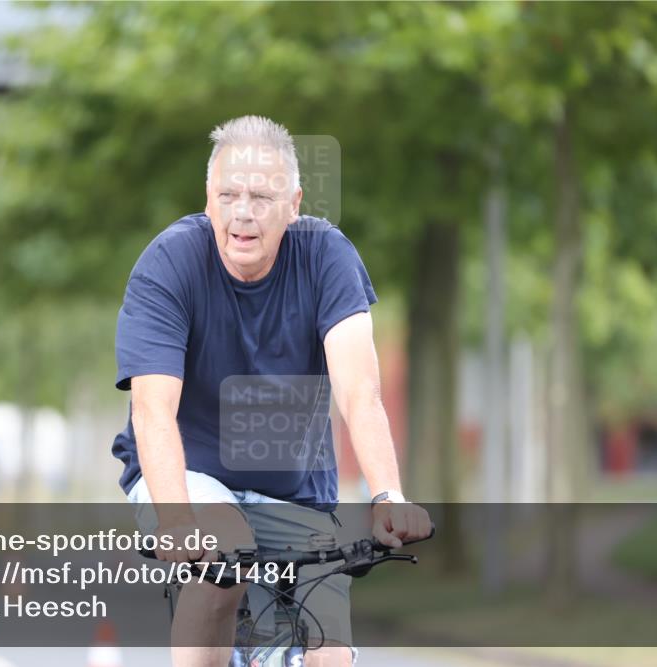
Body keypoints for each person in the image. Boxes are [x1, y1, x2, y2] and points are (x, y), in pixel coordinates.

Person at [112, 115, 432, 666]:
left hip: (296, 491)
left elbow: (360, 392)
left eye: (261, 196)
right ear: (207, 200)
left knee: (328, 655)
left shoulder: (327, 257)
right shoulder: (170, 262)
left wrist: (388, 497)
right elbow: (152, 409)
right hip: (191, 478)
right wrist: (176, 520)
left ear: (295, 204)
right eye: (228, 194)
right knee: (223, 559)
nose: (242, 212)